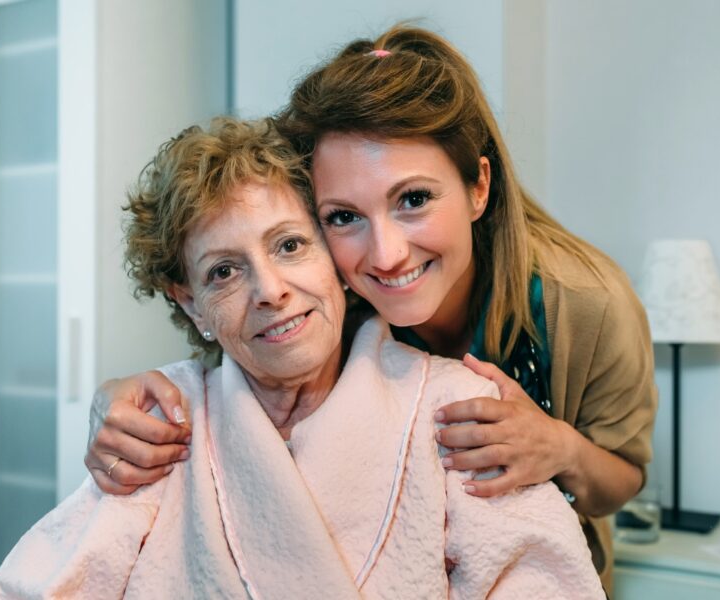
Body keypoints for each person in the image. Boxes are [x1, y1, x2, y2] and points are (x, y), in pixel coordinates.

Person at [85, 26, 657, 593]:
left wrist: (561, 448)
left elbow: (624, 478)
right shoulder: (329, 289)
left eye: (414, 199)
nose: (385, 256)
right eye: (342, 215)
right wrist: (123, 400)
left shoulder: (585, 303)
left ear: (479, 186)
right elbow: (238, 344)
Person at [0, 118, 603, 599]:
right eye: (223, 271)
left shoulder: (454, 408)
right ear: (191, 303)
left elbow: (543, 581)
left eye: (289, 245)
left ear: (334, 256)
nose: (270, 290)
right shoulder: (163, 423)